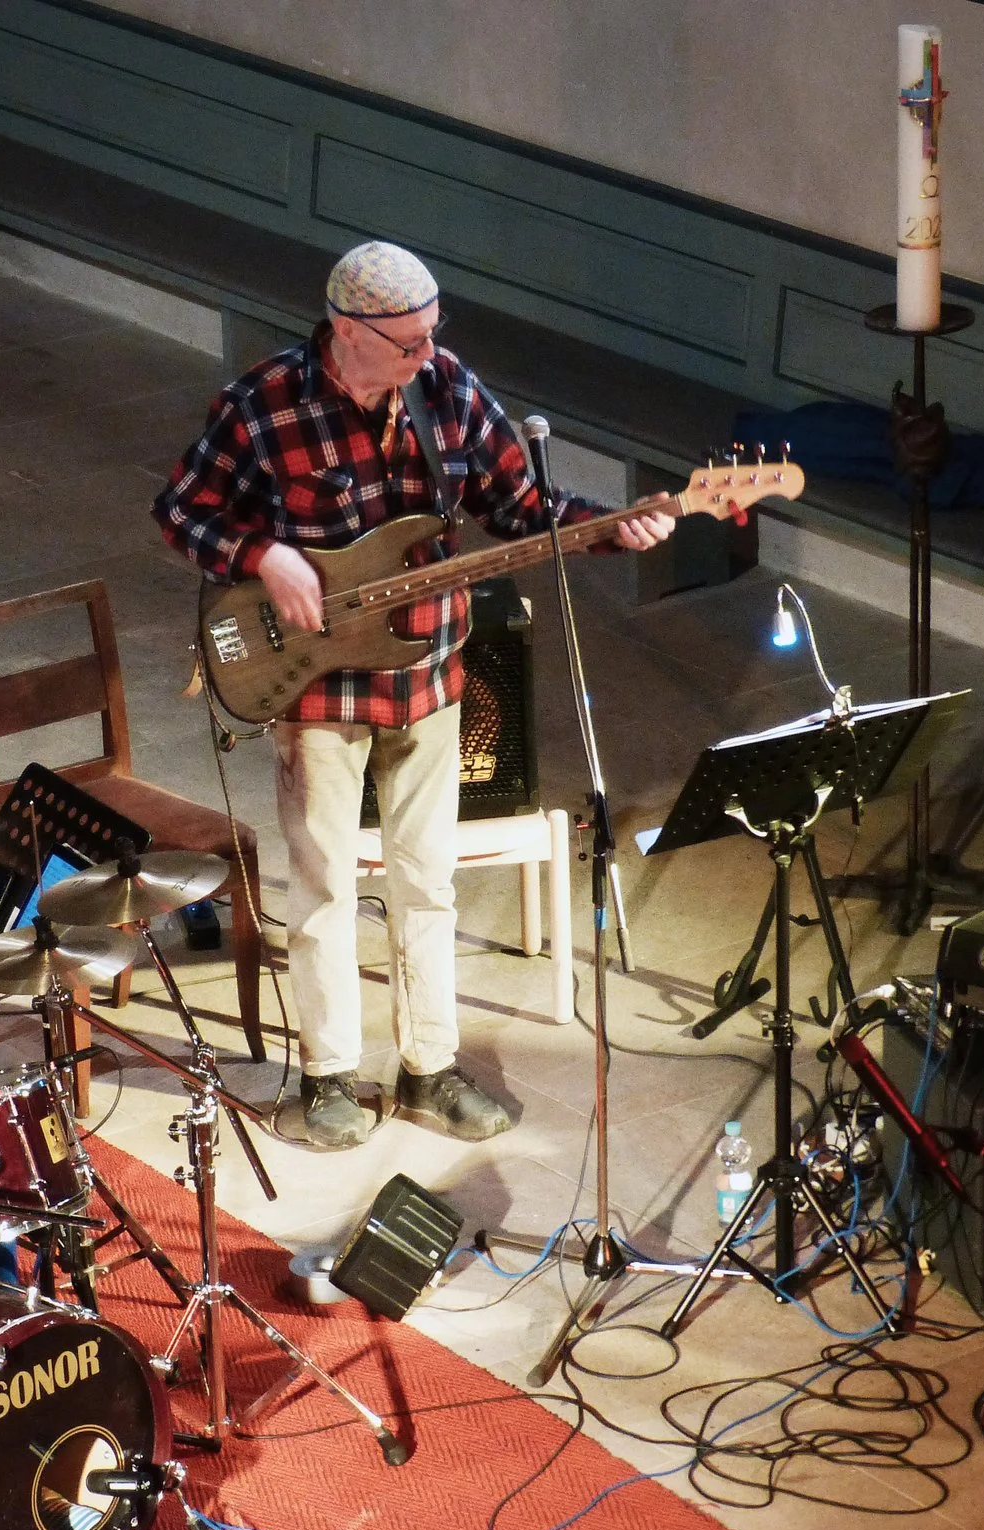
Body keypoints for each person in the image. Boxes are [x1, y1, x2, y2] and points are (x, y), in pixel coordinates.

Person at [154, 241, 674, 1151]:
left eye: (434, 333)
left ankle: (429, 1068)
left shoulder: (447, 390)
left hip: (429, 670)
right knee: (323, 883)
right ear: (346, 331)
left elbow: (524, 507)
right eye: (408, 341)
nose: (427, 354)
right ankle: (326, 1076)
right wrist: (263, 556)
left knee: (426, 881)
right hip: (315, 683)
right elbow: (181, 509)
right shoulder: (264, 402)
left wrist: (610, 527)